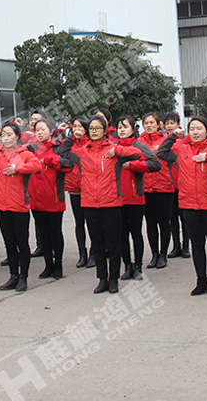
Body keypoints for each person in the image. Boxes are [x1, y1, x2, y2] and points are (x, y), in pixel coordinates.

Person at [56, 115, 158, 294]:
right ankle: (102, 279)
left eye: (98, 128)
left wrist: (118, 151)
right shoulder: (83, 152)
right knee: (97, 245)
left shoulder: (113, 150)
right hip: (89, 203)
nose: (94, 131)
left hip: (111, 203)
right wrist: (72, 135)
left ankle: (113, 280)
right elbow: (62, 154)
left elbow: (138, 153)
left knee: (114, 245)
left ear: (105, 131)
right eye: (92, 128)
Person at [156, 116, 207, 296]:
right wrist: (173, 136)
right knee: (197, 244)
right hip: (189, 204)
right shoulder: (181, 149)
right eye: (192, 128)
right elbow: (162, 153)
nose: (195, 132)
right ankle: (201, 280)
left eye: (199, 128)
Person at [0, 122, 43, 291]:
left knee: (22, 243)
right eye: (4, 135)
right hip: (1, 205)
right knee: (9, 243)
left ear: (17, 137)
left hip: (18, 205)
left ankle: (23, 277)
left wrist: (18, 168)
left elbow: (37, 166)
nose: (6, 138)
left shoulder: (24, 153)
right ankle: (13, 275)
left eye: (9, 134)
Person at [27, 119, 67, 280]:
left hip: (54, 197)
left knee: (55, 232)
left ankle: (58, 265)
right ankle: (48, 264)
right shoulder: (32, 149)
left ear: (51, 131)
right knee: (43, 233)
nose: (40, 132)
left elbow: (68, 165)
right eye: (37, 130)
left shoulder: (59, 148)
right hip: (36, 198)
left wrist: (51, 160)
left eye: (43, 129)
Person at [133, 112, 172, 270]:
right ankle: (154, 253)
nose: (149, 125)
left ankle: (163, 254)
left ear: (159, 124)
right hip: (145, 187)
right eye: (146, 123)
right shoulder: (138, 141)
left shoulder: (165, 140)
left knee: (163, 222)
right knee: (150, 222)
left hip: (163, 185)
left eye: (151, 123)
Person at [115, 116, 149, 281]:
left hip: (136, 197)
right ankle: (127, 266)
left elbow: (155, 163)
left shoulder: (139, 146)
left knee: (136, 233)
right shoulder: (113, 148)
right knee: (121, 234)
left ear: (133, 129)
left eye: (125, 127)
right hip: (117, 198)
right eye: (119, 127)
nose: (122, 130)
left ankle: (138, 266)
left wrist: (135, 166)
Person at [63, 118, 94, 269]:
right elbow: (62, 151)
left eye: (80, 126)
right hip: (74, 187)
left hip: (89, 188)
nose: (77, 129)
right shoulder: (70, 143)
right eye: (74, 126)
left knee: (92, 222)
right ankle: (83, 254)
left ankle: (94, 253)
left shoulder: (91, 143)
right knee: (79, 222)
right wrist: (72, 137)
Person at [162, 111, 190, 260]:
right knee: (172, 218)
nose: (169, 126)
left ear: (178, 124)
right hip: (169, 185)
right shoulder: (164, 142)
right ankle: (176, 246)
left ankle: (186, 246)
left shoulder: (184, 141)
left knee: (184, 218)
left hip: (182, 185)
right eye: (167, 123)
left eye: (172, 123)